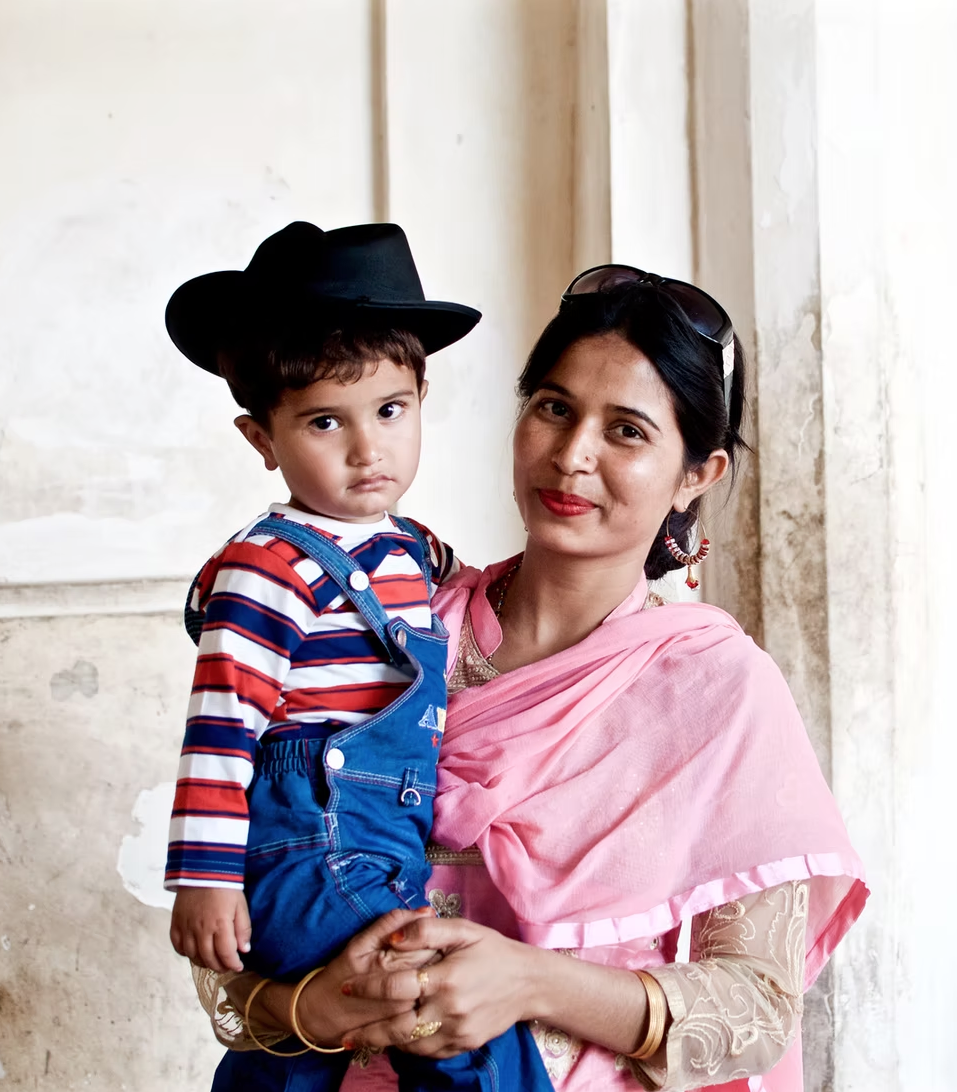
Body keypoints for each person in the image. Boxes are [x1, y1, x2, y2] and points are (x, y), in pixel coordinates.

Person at [200, 264, 870, 1091]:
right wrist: (315, 1009)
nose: (571, 457)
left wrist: (527, 981)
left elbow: (756, 1012)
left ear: (698, 475)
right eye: (554, 409)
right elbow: (244, 928)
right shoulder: (397, 631)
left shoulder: (717, 689)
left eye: (626, 431)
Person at [161, 221, 551, 1092]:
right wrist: (205, 880)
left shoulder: (410, 547)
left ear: (420, 397)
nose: (368, 448)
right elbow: (221, 728)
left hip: (382, 847)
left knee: (347, 1039)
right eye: (325, 421)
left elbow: (512, 583)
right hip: (307, 847)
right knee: (448, 994)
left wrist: (654, 562)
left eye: (390, 410)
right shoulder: (268, 568)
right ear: (262, 439)